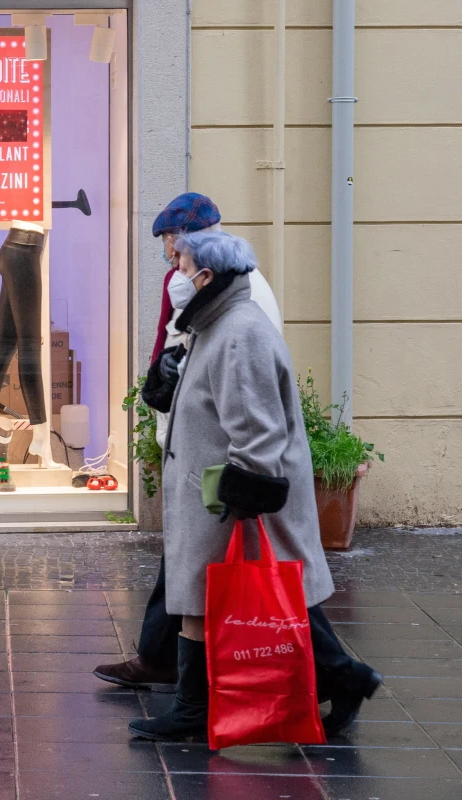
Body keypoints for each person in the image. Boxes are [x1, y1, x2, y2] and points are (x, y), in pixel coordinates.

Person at [126, 230, 382, 742]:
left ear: (209, 275)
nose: (175, 270)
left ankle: (200, 708)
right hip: (214, 497)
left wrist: (242, 500)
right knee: (225, 599)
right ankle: (203, 706)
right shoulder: (215, 326)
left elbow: (257, 429)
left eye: (182, 261)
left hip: (227, 500)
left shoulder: (239, 333)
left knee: (264, 597)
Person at [93, 192, 283, 692]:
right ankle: (161, 660)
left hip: (217, 451)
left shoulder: (227, 292)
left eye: (172, 245)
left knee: (224, 566)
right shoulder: (206, 280)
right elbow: (175, 348)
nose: (170, 256)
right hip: (203, 442)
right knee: (190, 557)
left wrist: (245, 472)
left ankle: (335, 672)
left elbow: (217, 365)